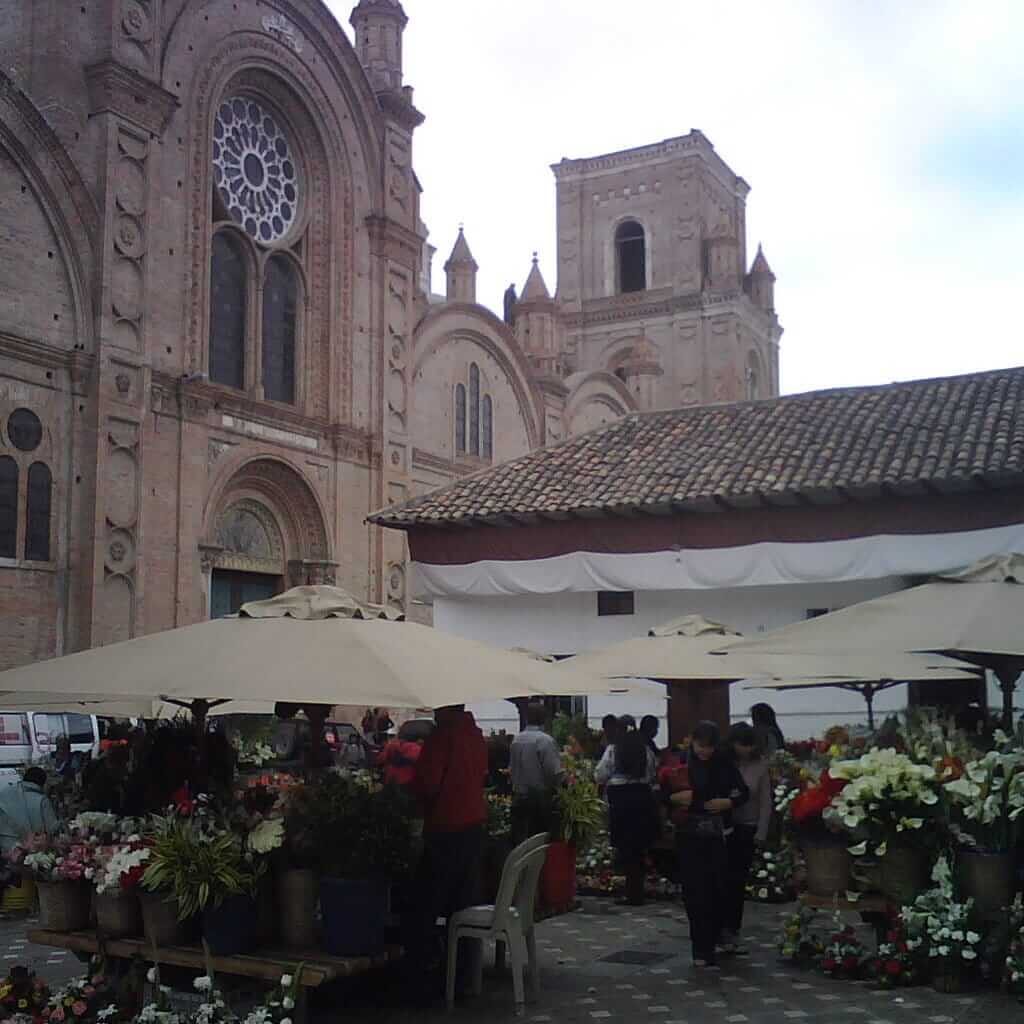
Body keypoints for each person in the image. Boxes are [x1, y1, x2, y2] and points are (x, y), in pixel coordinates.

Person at [409, 705, 488, 996]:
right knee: (463, 905)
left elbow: (427, 784)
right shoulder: (475, 734)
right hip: (473, 826)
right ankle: (464, 974)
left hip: (445, 828)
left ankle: (422, 975)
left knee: (424, 905)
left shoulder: (442, 737)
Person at [669, 720, 749, 968]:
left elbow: (742, 792)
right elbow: (661, 794)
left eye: (709, 747)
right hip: (689, 834)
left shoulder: (723, 763)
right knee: (695, 893)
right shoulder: (681, 764)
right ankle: (700, 948)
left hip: (718, 834)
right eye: (700, 746)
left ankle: (714, 939)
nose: (704, 751)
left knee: (716, 890)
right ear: (692, 742)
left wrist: (729, 802)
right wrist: (674, 798)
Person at [721, 723, 772, 955]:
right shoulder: (724, 762)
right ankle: (717, 930)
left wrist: (761, 832)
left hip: (747, 828)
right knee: (720, 879)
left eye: (750, 745)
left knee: (737, 882)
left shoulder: (760, 765)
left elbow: (765, 802)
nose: (746, 749)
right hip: (724, 827)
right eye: (742, 745)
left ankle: (732, 930)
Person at [606, 727, 660, 906]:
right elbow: (653, 773)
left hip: (620, 799)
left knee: (626, 849)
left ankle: (632, 893)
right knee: (638, 849)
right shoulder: (646, 751)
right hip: (642, 798)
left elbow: (601, 773)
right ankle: (637, 892)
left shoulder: (613, 750)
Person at [509, 703, 563, 843]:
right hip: (540, 801)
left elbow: (512, 769)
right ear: (543, 718)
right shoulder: (545, 741)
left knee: (521, 843)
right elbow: (553, 771)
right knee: (539, 843)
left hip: (519, 798)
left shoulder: (516, 740)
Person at [0, 768, 58, 855]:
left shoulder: (5, 793)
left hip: (6, 851)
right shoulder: (42, 800)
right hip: (35, 855)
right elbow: (52, 829)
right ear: (43, 783)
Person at [596, 715, 656, 787]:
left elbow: (600, 776)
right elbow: (651, 775)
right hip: (641, 791)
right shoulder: (647, 750)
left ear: (618, 731)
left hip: (617, 791)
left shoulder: (611, 750)